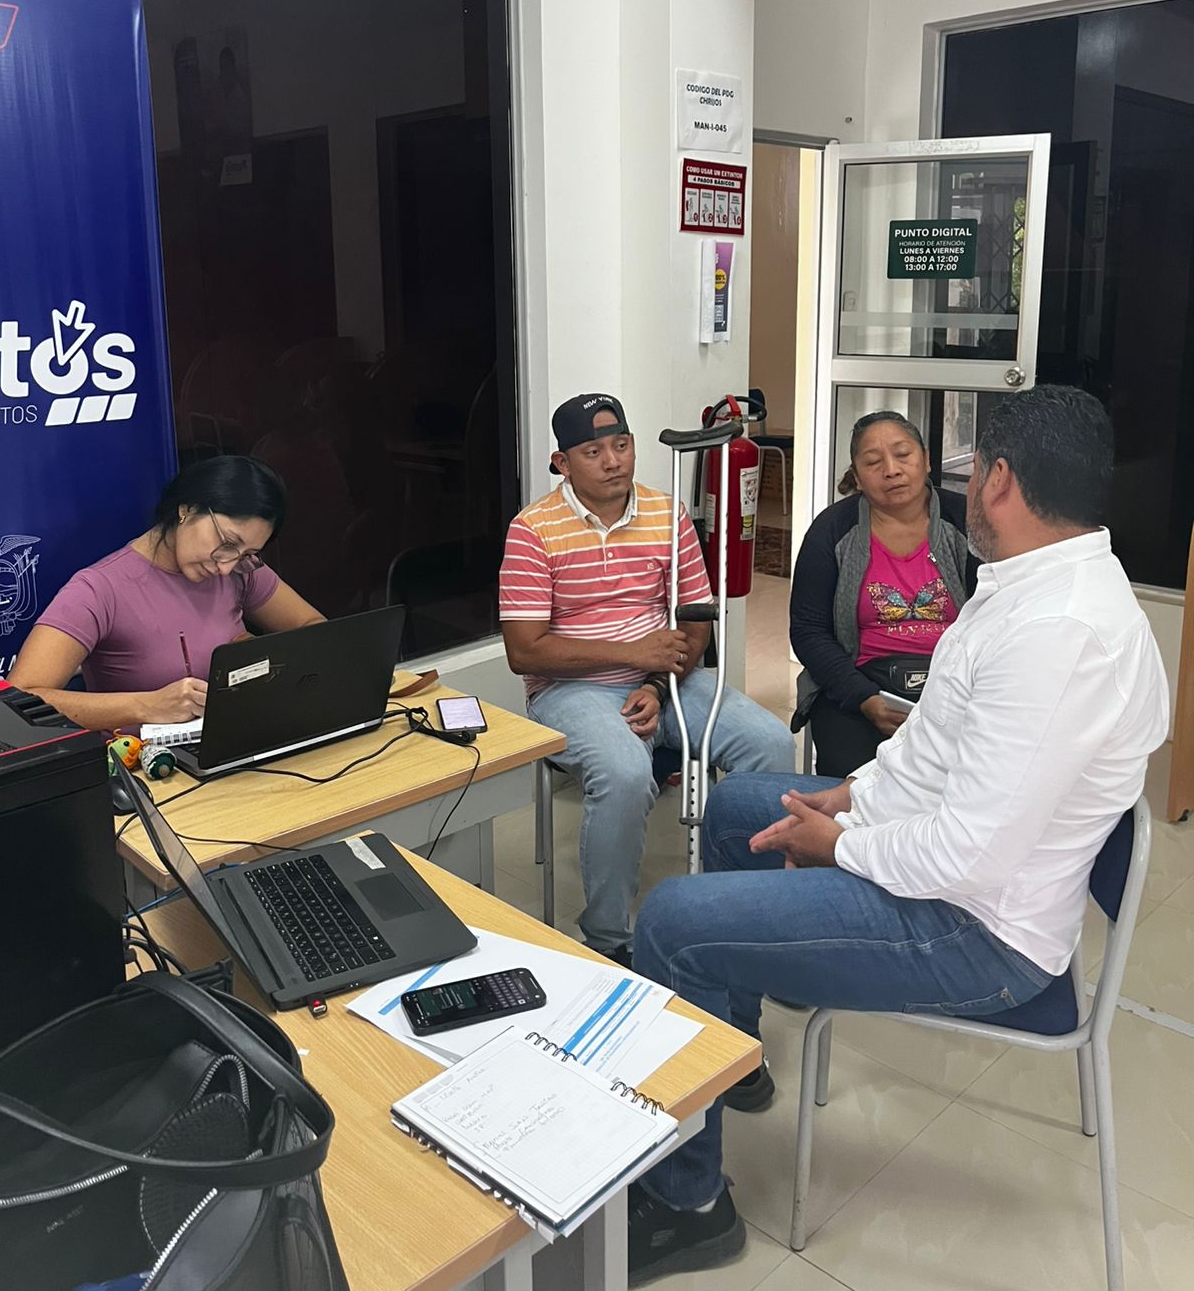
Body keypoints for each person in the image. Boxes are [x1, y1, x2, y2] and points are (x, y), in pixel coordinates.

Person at [624, 385, 1168, 1285]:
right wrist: (849, 797)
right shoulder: (1024, 581)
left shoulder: (1060, 634)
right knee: (735, 808)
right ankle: (732, 1051)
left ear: (999, 480)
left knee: (672, 924)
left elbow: (968, 855)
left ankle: (688, 1208)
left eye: (969, 467)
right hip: (950, 861)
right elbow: (933, 747)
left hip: (976, 932)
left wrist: (838, 846)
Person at [499, 393, 795, 963]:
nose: (613, 461)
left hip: (665, 681)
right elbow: (524, 652)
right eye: (593, 451)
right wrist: (630, 651)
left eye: (622, 445)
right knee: (626, 772)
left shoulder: (667, 513)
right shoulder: (532, 530)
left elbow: (696, 621)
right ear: (562, 463)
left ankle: (738, 915)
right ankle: (609, 941)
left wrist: (657, 683)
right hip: (570, 691)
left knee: (772, 743)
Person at [12, 455, 324, 732]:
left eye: (247, 554)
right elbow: (17, 703)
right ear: (187, 508)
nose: (226, 567)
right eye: (227, 543)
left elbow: (318, 632)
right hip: (144, 766)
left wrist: (264, 656)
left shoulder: (241, 571)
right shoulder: (99, 589)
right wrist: (147, 706)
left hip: (238, 746)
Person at [789, 410, 974, 772]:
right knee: (851, 784)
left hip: (957, 684)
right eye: (873, 462)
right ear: (857, 477)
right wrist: (864, 697)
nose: (891, 470)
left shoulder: (967, 521)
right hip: (861, 685)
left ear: (926, 460)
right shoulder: (831, 530)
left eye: (903, 454)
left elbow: (1002, 613)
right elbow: (808, 631)